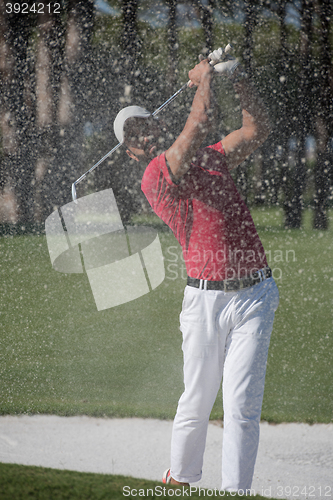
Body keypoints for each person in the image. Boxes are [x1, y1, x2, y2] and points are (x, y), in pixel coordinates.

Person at [113, 49, 279, 493]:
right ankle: (181, 478)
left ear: (156, 123)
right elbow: (200, 119)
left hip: (255, 297)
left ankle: (235, 492)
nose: (144, 137)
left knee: (242, 405)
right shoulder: (155, 175)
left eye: (145, 125)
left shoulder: (211, 157)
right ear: (130, 154)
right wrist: (204, 76)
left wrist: (239, 77)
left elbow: (255, 130)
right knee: (198, 399)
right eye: (134, 136)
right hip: (205, 301)